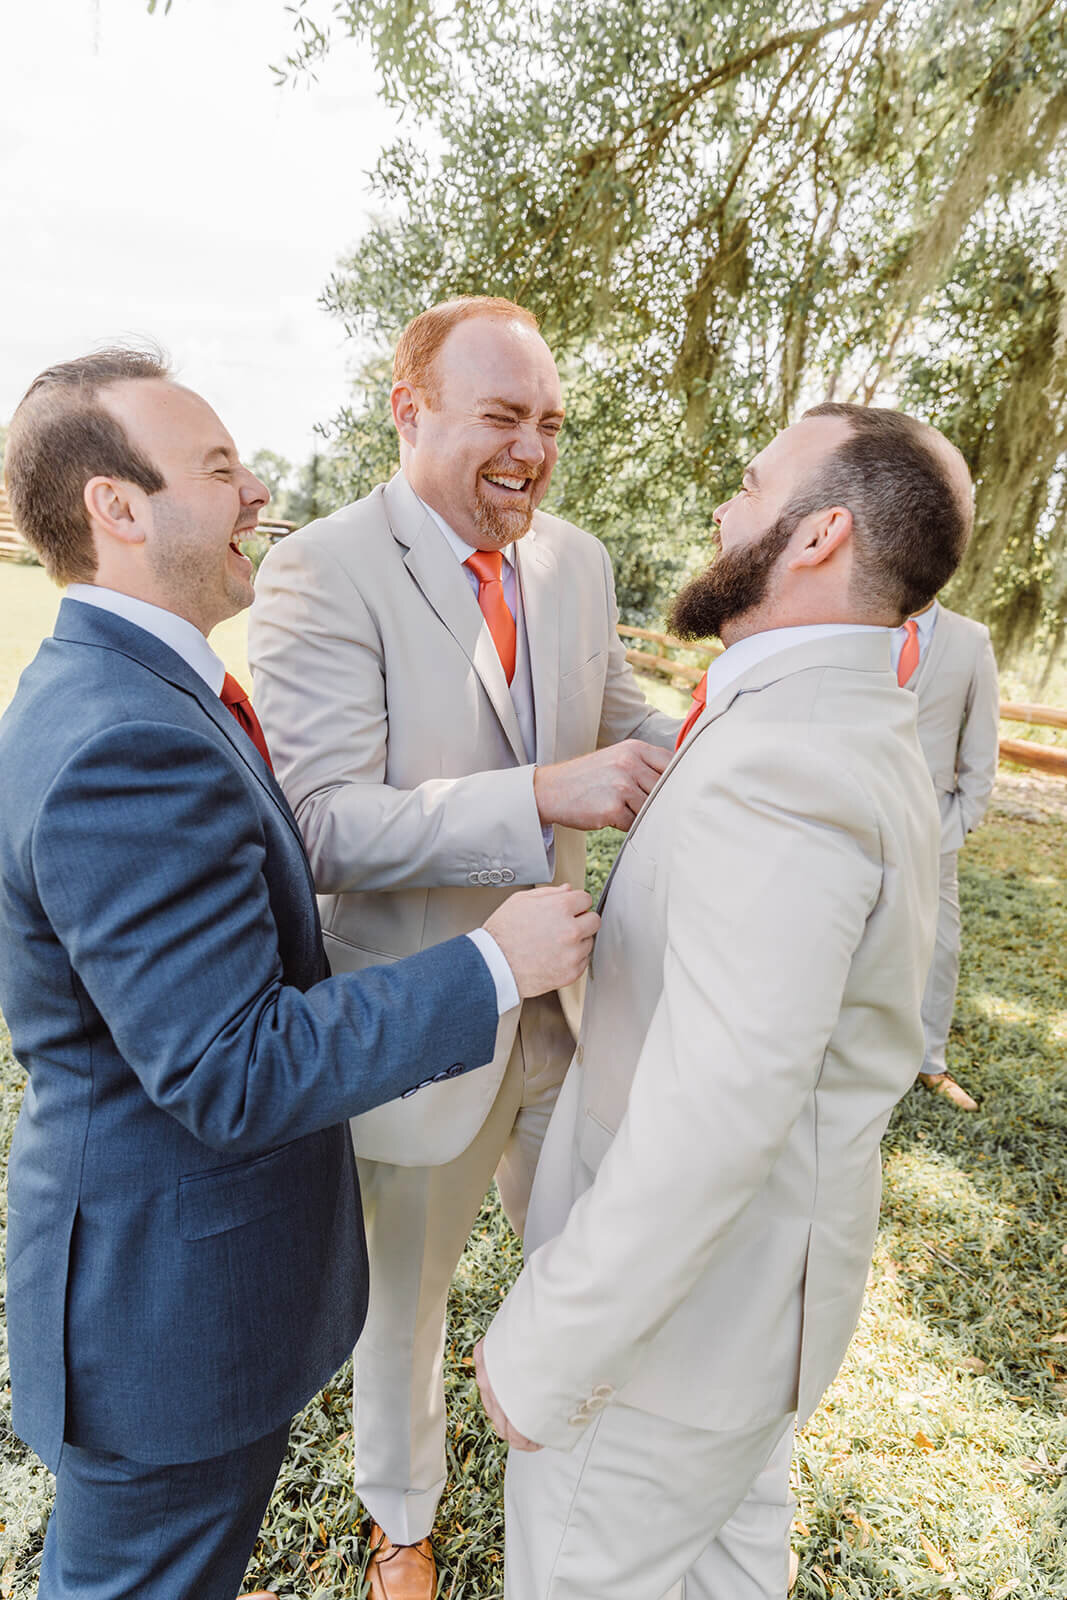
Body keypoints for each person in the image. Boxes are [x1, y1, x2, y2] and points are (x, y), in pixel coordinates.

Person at [0, 348, 599, 1600]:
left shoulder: (137, 687)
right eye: (218, 468)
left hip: (181, 1296)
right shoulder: (127, 742)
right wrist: (494, 962)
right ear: (117, 509)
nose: (258, 489)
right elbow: (231, 1065)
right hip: (165, 1325)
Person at [473, 402, 974, 1600]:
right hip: (749, 1333)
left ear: (815, 537)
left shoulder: (786, 762)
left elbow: (718, 1112)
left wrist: (551, 1343)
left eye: (752, 485)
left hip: (661, 1358)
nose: (722, 508)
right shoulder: (838, 719)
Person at [248, 295, 679, 1595]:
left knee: (591, 1261)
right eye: (500, 417)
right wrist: (545, 793)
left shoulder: (578, 564)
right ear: (409, 410)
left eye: (546, 422)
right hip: (419, 1021)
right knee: (406, 1309)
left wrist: (734, 740)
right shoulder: (318, 569)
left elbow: (624, 719)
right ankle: (401, 1523)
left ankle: (586, 1476)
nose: (530, 451)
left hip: (570, 1016)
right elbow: (321, 825)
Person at [893, 600, 999, 1110]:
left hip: (933, 824)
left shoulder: (971, 639)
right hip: (848, 807)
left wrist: (960, 823)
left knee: (940, 944)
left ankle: (930, 1061)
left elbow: (982, 743)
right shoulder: (863, 615)